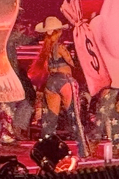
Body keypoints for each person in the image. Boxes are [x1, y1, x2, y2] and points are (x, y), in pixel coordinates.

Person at [29, 15, 84, 151]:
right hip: (65, 80)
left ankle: (46, 148)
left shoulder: (46, 49)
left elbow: (46, 69)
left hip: (51, 81)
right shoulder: (60, 47)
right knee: (74, 115)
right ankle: (83, 149)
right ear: (59, 32)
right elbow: (74, 64)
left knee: (50, 119)